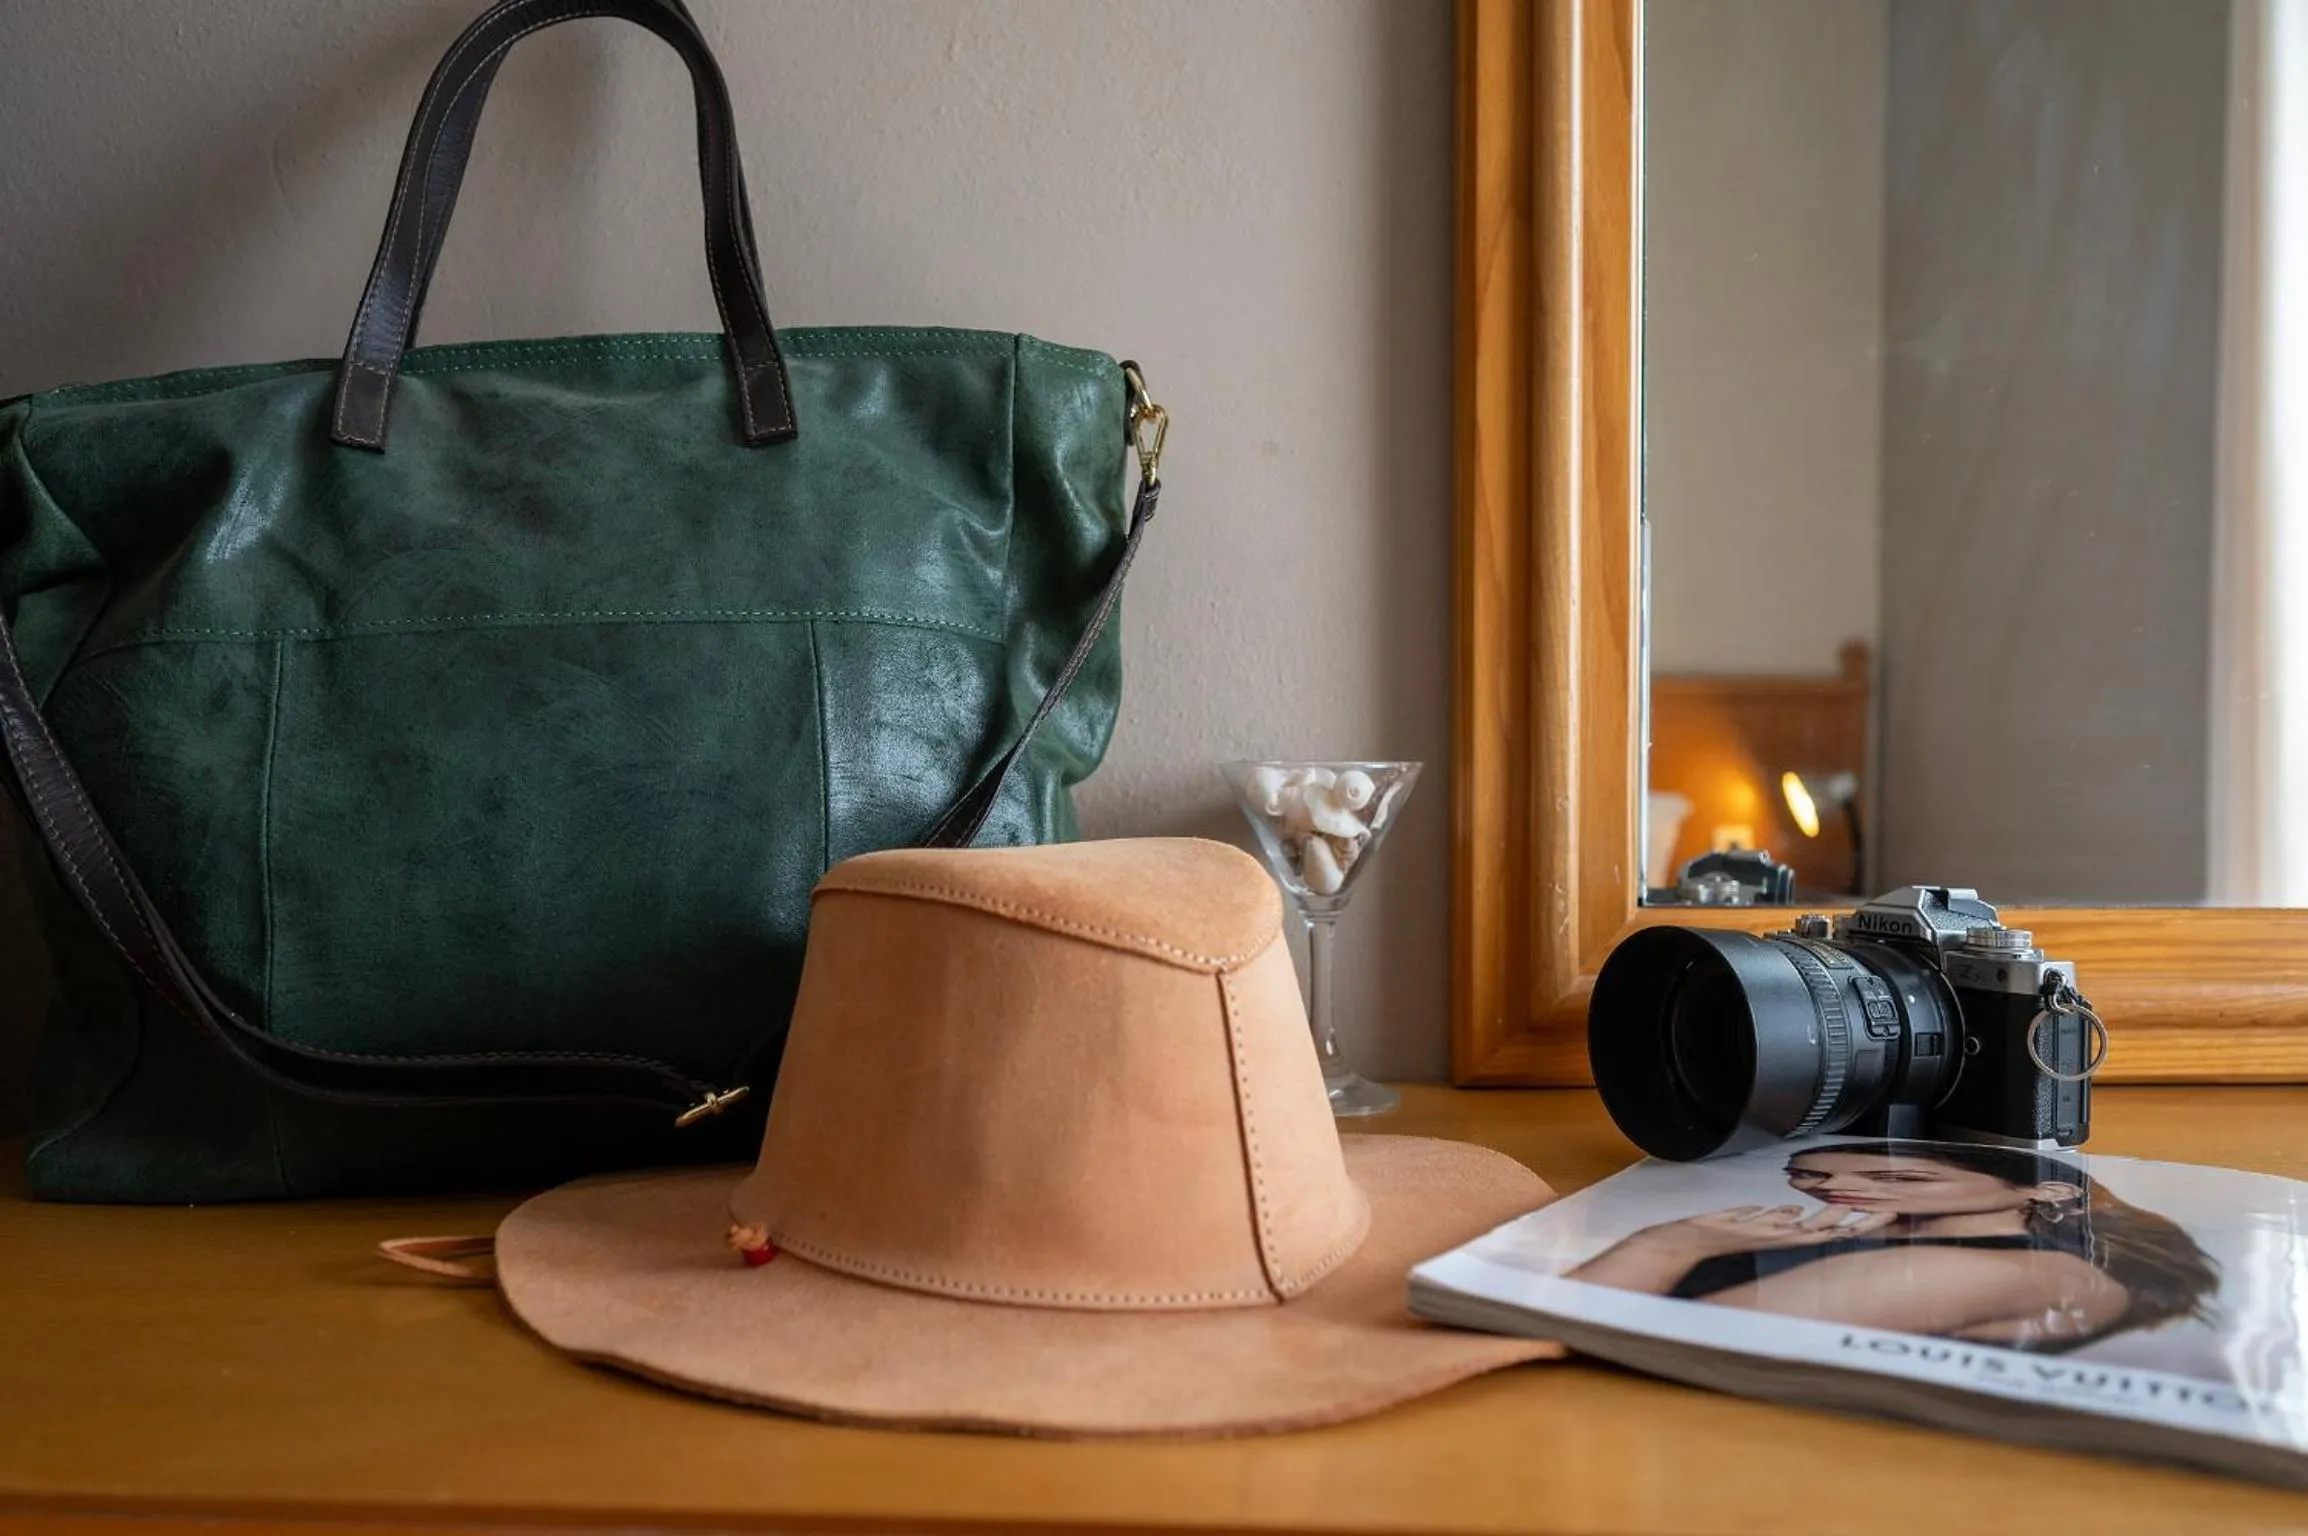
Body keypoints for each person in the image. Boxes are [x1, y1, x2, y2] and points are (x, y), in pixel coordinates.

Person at [1564, 1141, 2217, 1351]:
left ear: (2051, 1194)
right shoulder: (1907, 1249)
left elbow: (1672, 1340)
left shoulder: (2039, 1274)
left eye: (1900, 1178)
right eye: (1812, 1176)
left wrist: (1669, 1245)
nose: (1838, 1192)